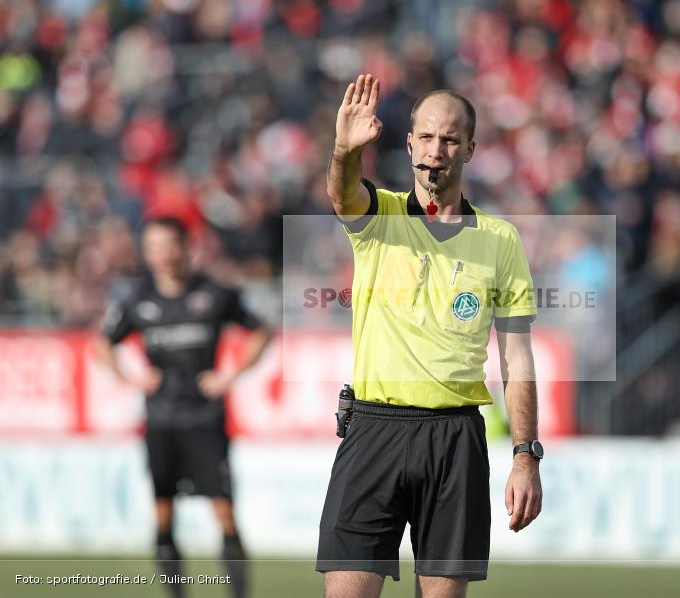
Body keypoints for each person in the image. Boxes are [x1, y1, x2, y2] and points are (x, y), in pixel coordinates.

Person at [316, 74, 543, 598]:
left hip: (454, 439)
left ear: (469, 149)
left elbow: (517, 360)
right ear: (410, 142)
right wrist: (344, 150)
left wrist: (525, 455)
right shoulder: (382, 216)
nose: (436, 150)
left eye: (448, 139)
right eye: (426, 137)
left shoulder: (500, 240)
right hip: (374, 428)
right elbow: (342, 191)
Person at [93, 217, 272, 598]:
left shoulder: (214, 294)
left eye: (170, 244)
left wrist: (231, 375)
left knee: (223, 513)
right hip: (161, 420)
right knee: (162, 513)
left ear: (186, 247)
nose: (163, 253)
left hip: (205, 418)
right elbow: (102, 342)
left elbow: (261, 330)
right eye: (154, 245)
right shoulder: (137, 300)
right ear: (146, 251)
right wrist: (130, 378)